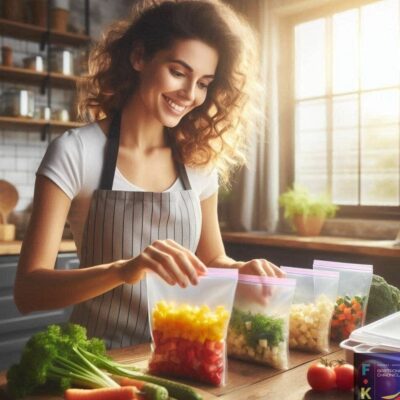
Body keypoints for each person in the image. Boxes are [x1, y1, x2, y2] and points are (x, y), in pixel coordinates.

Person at [14, 0, 284, 349]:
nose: (190, 95)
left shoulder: (198, 161)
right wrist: (125, 270)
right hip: (101, 362)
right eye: (178, 72)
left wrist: (241, 269)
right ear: (139, 57)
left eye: (203, 83)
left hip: (183, 354)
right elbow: (28, 291)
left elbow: (212, 260)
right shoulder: (76, 153)